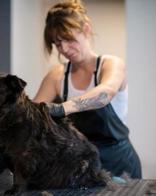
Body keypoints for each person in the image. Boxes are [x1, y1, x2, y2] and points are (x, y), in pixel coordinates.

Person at [33, 0, 142, 178]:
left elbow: (105, 92)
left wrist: (61, 108)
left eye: (68, 39)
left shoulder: (111, 64)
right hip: (81, 161)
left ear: (86, 29)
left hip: (119, 162)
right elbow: (34, 114)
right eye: (57, 43)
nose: (64, 49)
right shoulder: (57, 76)